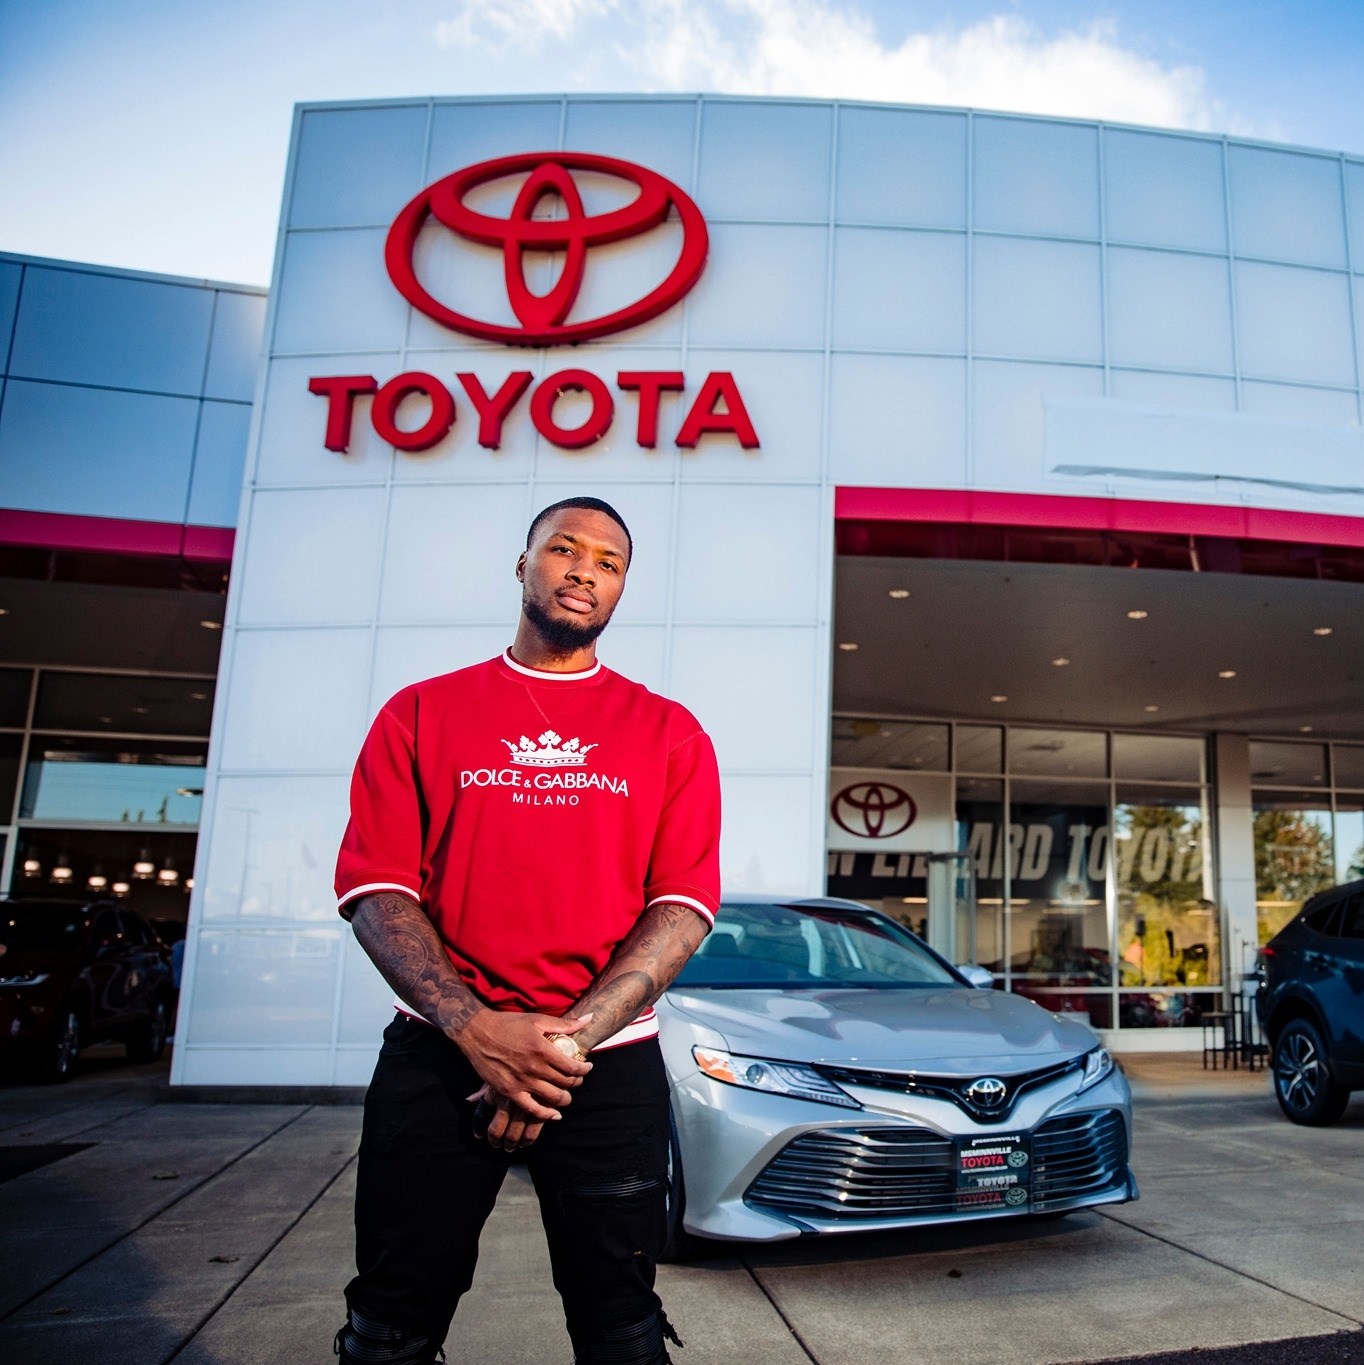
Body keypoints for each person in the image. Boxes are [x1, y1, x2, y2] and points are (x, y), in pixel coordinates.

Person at [333, 496, 721, 1365]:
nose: (585, 569)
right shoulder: (422, 712)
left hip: (607, 1066)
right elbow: (377, 891)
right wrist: (478, 1032)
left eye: (610, 561)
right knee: (389, 1324)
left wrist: (553, 1050)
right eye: (565, 548)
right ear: (524, 565)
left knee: (621, 1326)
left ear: (622, 588)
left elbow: (681, 908)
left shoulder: (669, 732)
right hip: (437, 1055)